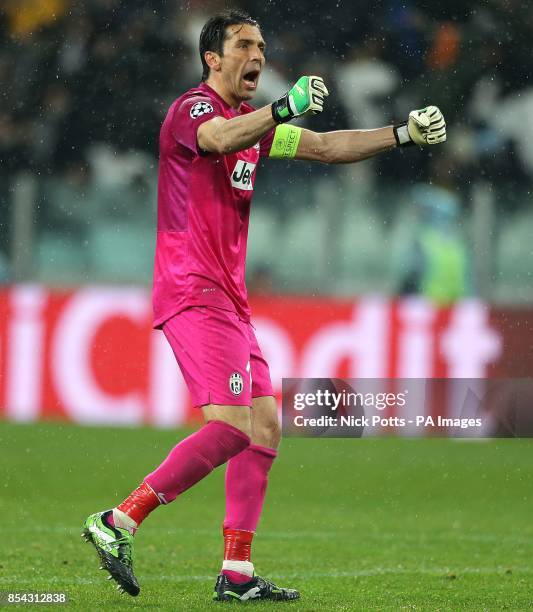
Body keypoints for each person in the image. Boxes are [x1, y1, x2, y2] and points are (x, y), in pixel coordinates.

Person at [82, 9, 446, 603]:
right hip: (192, 289)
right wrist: (281, 107)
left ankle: (237, 572)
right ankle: (118, 521)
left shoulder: (250, 125)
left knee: (266, 425)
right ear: (213, 59)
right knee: (229, 430)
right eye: (244, 45)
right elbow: (218, 139)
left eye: (262, 45)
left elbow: (326, 146)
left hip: (230, 299)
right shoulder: (194, 110)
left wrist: (401, 133)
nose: (257, 54)